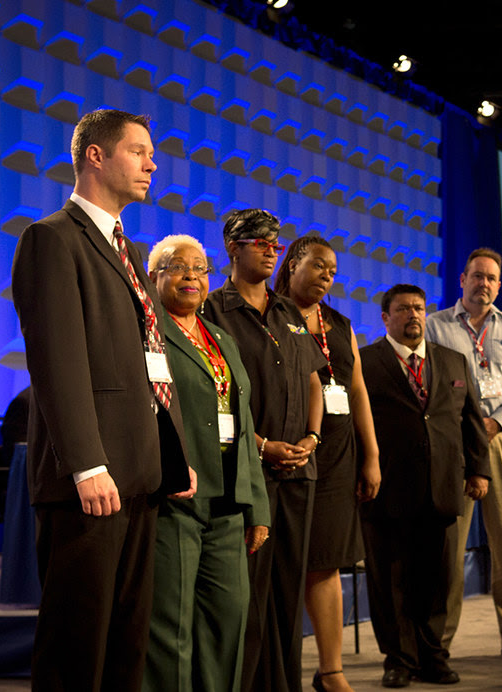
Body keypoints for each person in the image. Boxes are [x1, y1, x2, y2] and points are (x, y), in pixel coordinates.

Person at [10, 108, 195, 692]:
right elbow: (57, 363)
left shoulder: (129, 250)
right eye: (139, 151)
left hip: (140, 474)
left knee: (125, 644)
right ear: (95, 155)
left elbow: (147, 361)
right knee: (77, 647)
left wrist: (173, 453)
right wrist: (87, 463)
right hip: (90, 481)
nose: (152, 163)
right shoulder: (51, 239)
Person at [203, 209, 325, 692]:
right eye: (260, 242)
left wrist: (311, 439)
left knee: (287, 594)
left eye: (275, 242)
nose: (272, 249)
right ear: (234, 247)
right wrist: (261, 445)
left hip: (299, 472)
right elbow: (213, 394)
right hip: (245, 474)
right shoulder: (213, 310)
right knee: (246, 596)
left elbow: (315, 379)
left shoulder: (289, 311)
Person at [142, 234, 271, 692]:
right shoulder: (147, 333)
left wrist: (256, 506)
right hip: (176, 499)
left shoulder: (221, 339)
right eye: (178, 267)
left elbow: (243, 418)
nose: (192, 276)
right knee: (170, 629)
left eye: (200, 268)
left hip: (229, 504)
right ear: (154, 276)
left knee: (227, 624)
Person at [359, 284, 491, 688]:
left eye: (418, 308)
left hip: (441, 487)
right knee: (391, 582)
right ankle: (398, 659)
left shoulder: (451, 361)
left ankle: (433, 656)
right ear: (386, 318)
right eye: (403, 309)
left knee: (437, 579)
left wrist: (479, 470)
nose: (413, 314)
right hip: (386, 491)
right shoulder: (364, 363)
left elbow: (471, 418)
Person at [273, 234, 381, 692]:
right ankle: (277, 672)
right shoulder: (267, 314)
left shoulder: (339, 323)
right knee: (284, 563)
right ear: (294, 262)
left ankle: (331, 671)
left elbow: (356, 390)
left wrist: (371, 455)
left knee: (328, 562)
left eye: (333, 271)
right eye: (319, 266)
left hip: (336, 455)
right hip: (284, 450)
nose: (327, 277)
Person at [425, 248, 502, 662]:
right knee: (449, 546)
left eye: (492, 278)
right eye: (478, 276)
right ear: (462, 279)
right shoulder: (434, 326)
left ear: (499, 284)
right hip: (453, 444)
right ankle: (439, 641)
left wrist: (497, 422)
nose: (485, 284)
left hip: (501, 441)